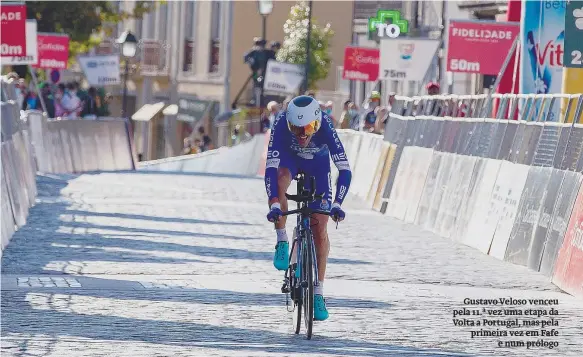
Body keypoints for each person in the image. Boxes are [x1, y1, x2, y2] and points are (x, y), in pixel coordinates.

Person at [264, 95, 352, 321]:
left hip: (318, 167)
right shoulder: (281, 123)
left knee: (320, 229)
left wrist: (337, 204)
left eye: (309, 128)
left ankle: (318, 293)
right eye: (297, 129)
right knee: (281, 178)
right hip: (290, 161)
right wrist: (275, 204)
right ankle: (282, 240)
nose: (303, 135)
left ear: (317, 122)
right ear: (289, 123)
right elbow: (270, 170)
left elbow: (344, 170)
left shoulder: (327, 125)